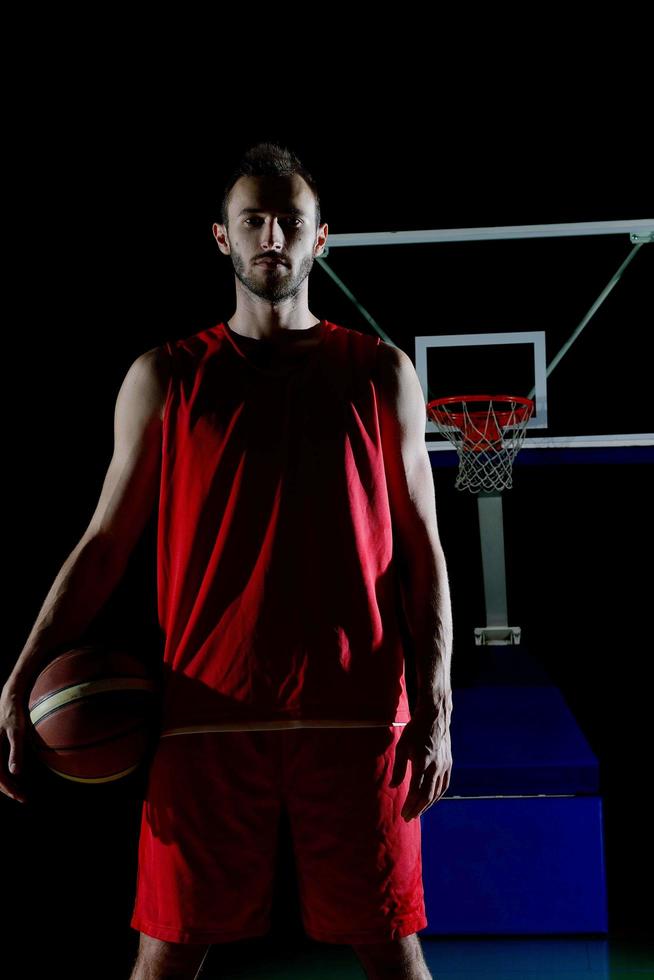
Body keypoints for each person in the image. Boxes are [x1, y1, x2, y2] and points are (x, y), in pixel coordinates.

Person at [0, 141, 453, 980]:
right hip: (206, 710)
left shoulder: (379, 373)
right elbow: (104, 542)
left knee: (394, 951)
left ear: (323, 240)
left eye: (291, 221)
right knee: (165, 956)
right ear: (221, 238)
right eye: (254, 220)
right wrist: (24, 670)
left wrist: (436, 695)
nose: (272, 236)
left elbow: (424, 548)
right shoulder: (165, 376)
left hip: (354, 713)